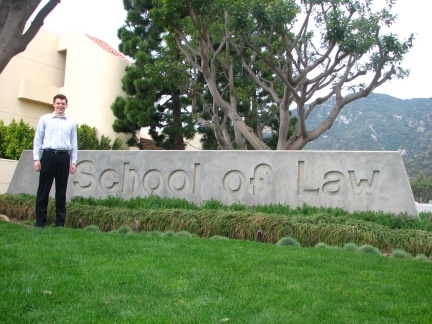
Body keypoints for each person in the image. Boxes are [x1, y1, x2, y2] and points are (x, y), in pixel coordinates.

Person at [33, 94, 78, 229]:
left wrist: (73, 162)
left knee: (61, 192)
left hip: (64, 158)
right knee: (43, 191)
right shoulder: (45, 119)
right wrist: (36, 158)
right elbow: (38, 139)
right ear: (54, 104)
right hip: (48, 156)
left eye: (63, 103)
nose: (60, 106)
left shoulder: (71, 122)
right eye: (58, 103)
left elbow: (74, 143)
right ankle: (40, 223)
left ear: (66, 105)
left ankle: (60, 224)